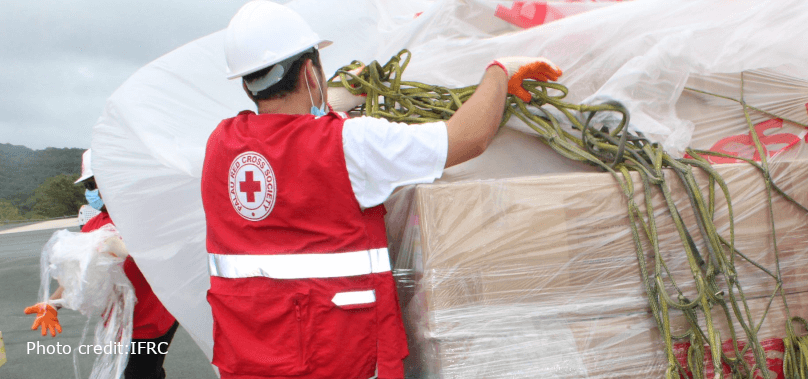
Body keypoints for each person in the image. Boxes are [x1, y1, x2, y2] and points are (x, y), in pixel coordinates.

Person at [201, 2, 562, 378]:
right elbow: (467, 138)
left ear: (246, 84)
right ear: (310, 71)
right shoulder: (348, 143)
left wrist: (336, 100)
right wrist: (500, 73)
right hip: (338, 359)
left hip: (250, 361)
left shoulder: (221, 145)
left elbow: (284, 142)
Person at [24, 149, 179, 379]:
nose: (93, 192)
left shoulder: (147, 216)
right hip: (119, 322)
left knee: (140, 373)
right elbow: (79, 274)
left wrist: (127, 250)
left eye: (97, 183)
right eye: (89, 186)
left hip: (153, 321)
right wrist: (53, 304)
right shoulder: (93, 227)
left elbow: (169, 255)